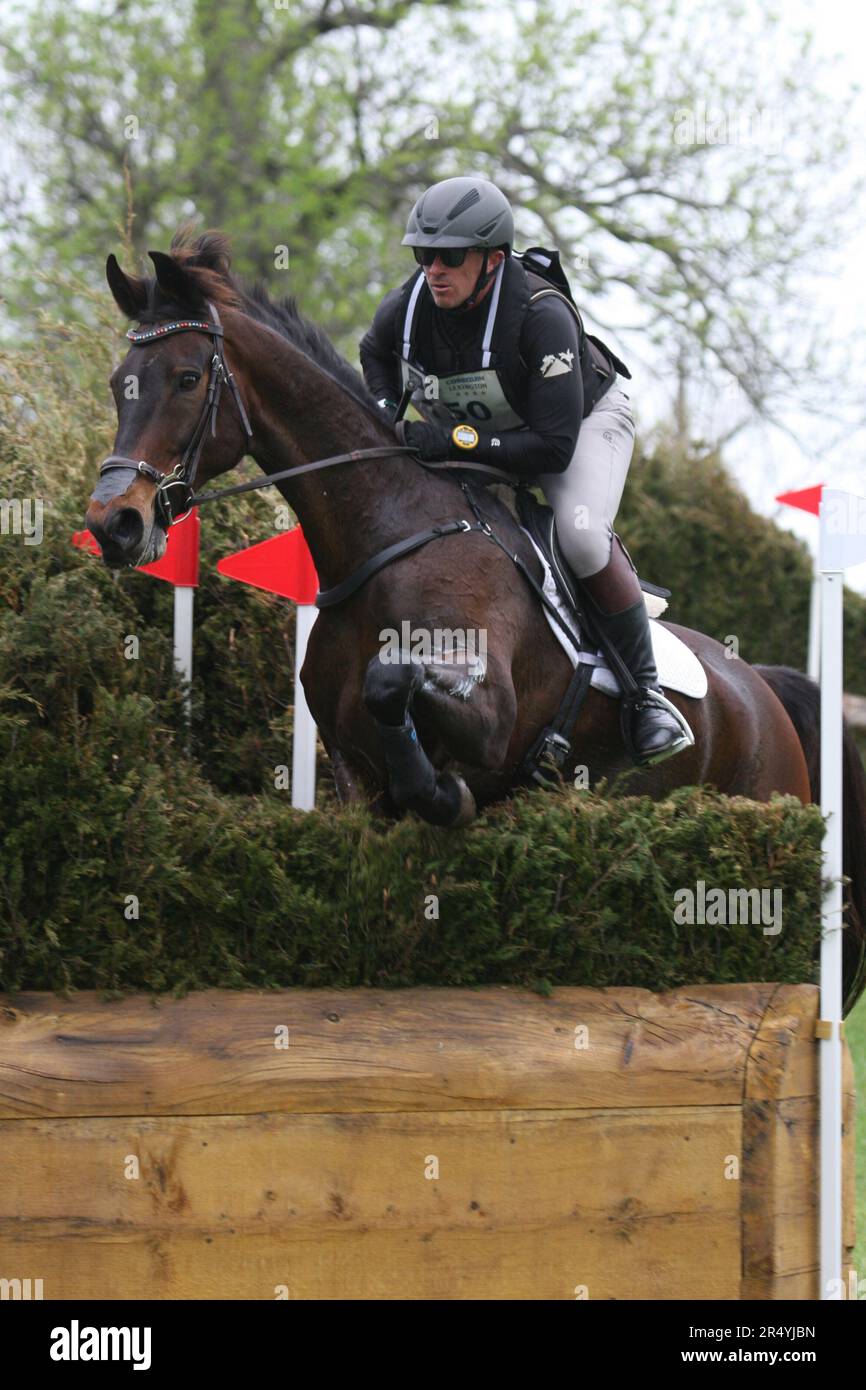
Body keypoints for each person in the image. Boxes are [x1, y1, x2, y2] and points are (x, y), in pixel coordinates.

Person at [359, 175, 691, 764]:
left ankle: (647, 697)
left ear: (491, 260)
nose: (434, 269)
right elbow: (373, 354)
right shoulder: (408, 306)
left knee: (581, 535)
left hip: (579, 425)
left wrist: (448, 437)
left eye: (450, 256)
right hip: (496, 432)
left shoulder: (541, 315)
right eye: (423, 254)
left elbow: (552, 450)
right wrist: (388, 416)